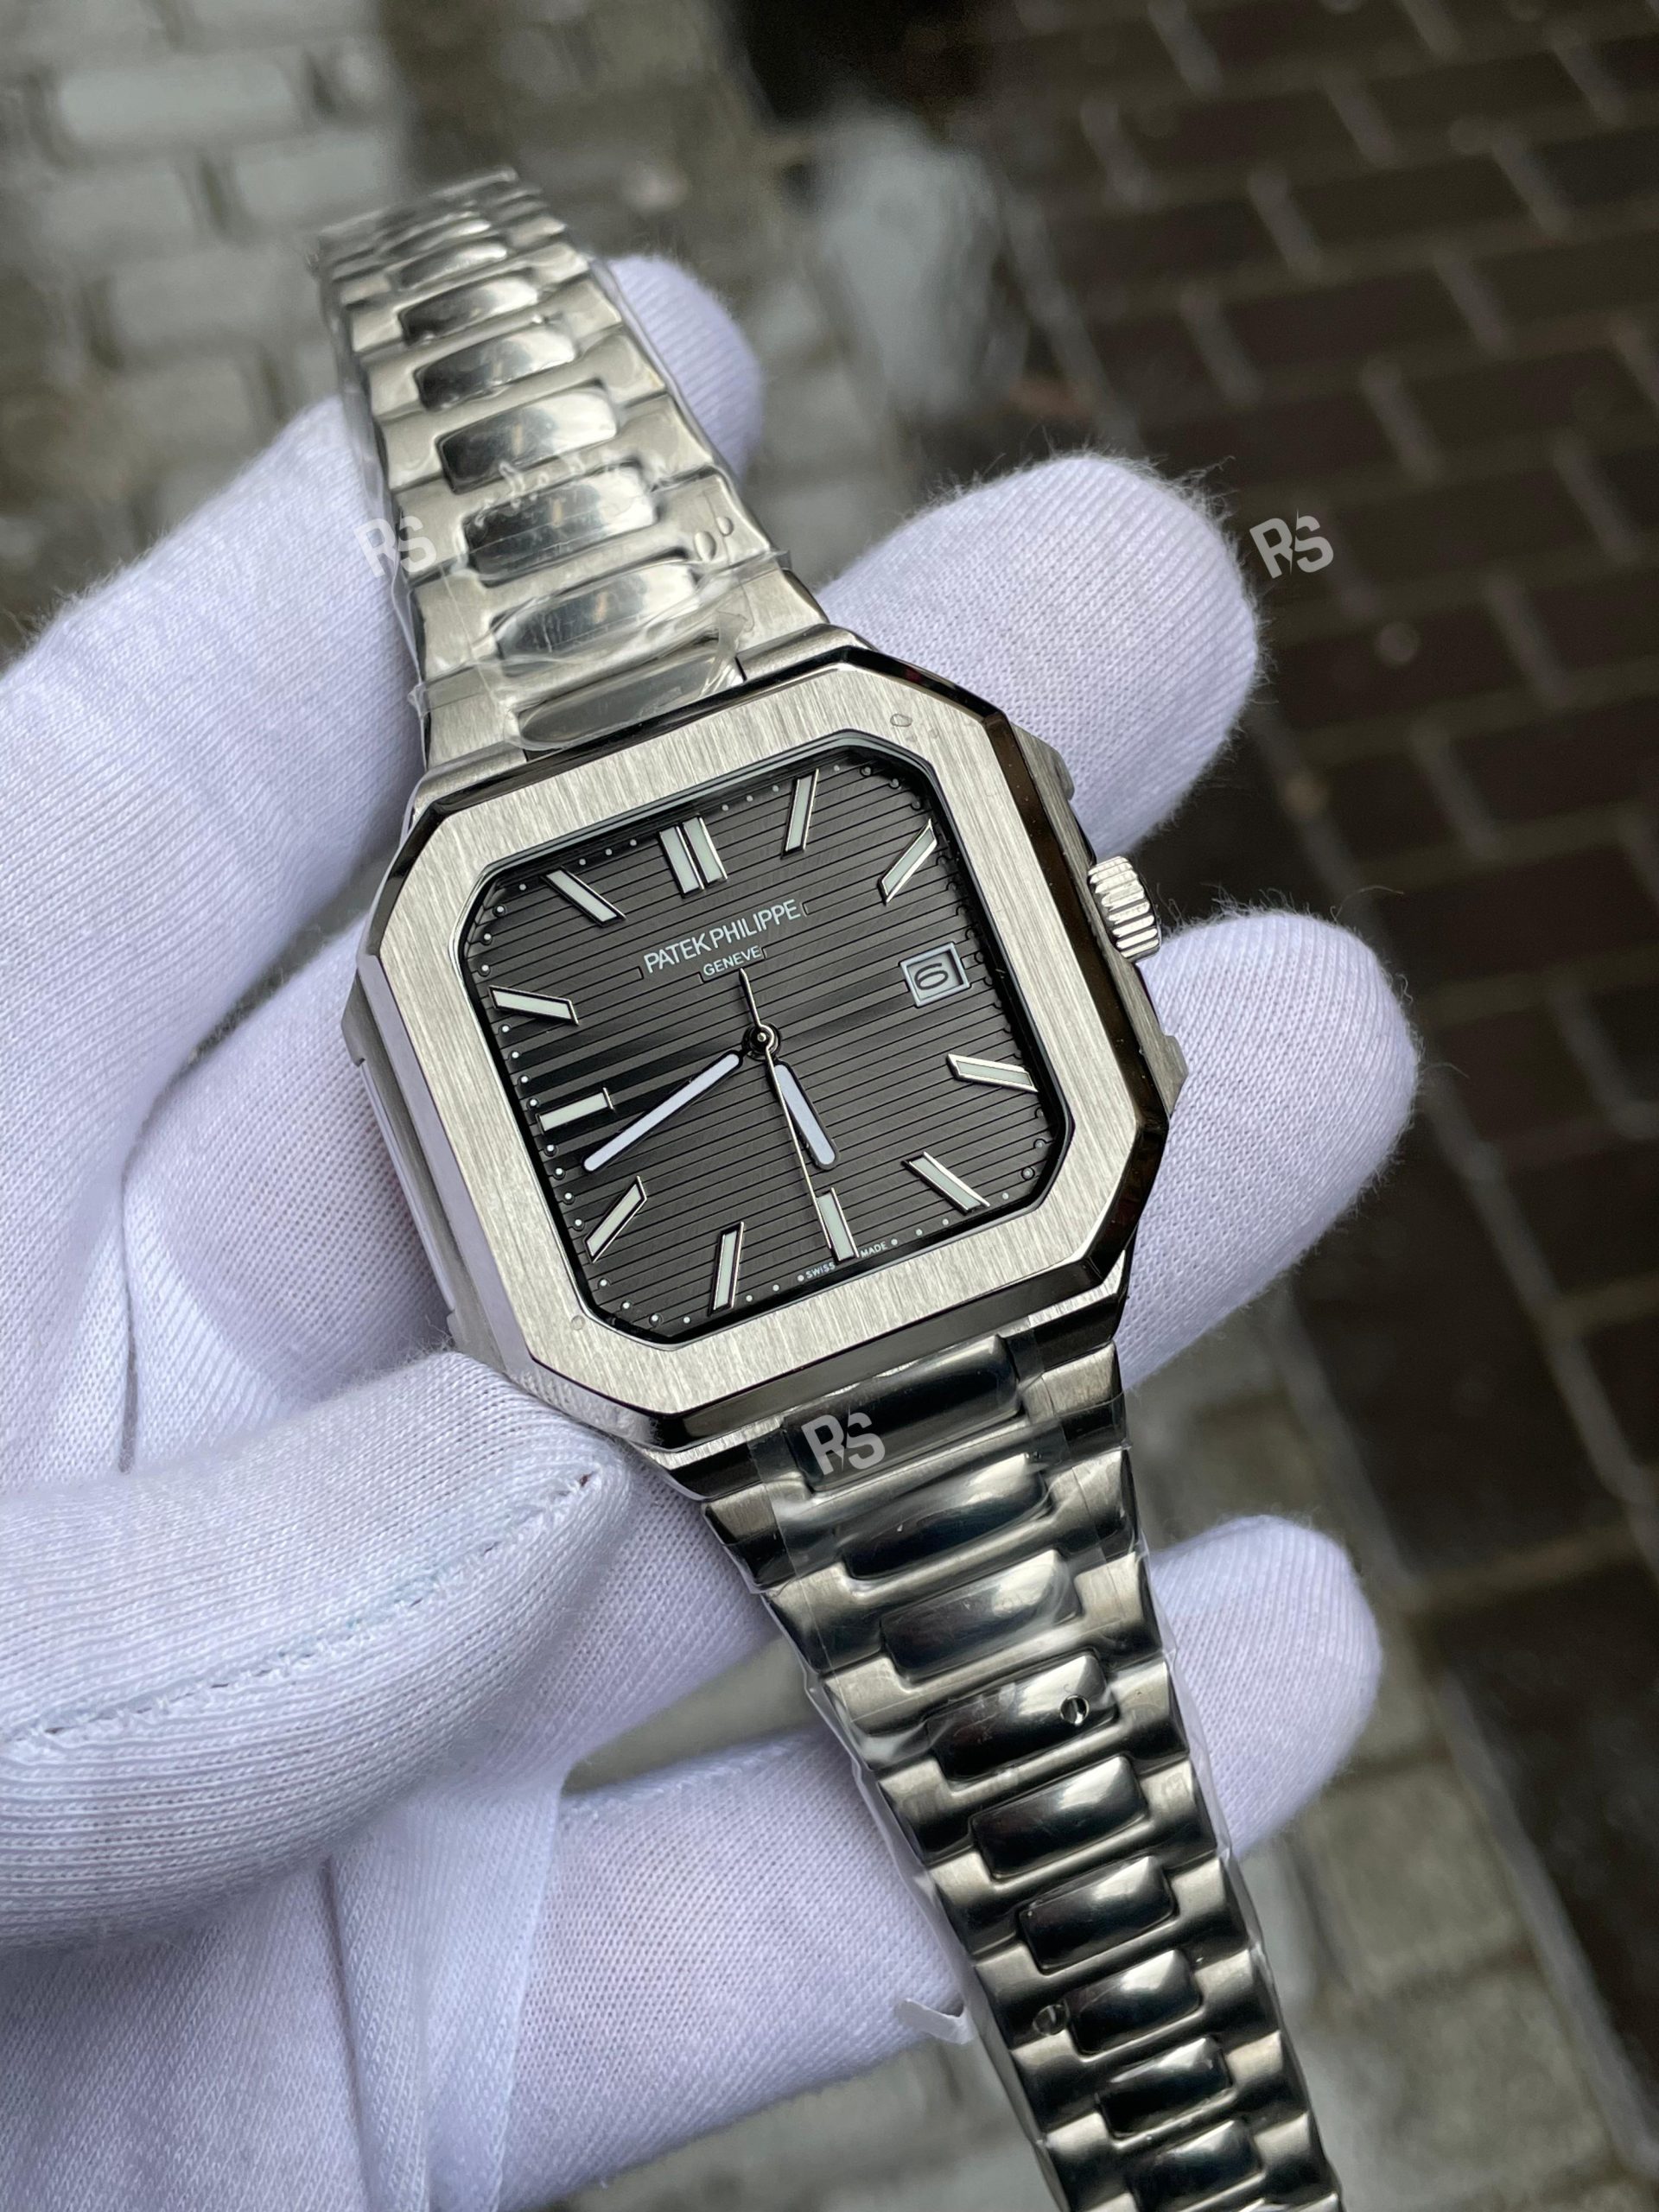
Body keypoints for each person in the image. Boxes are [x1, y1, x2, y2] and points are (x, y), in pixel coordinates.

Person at [0, 258, 1414, 2209]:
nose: (753, 1042)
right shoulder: (508, 977)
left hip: (948, 1307)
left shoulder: (877, 800)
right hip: (794, 1370)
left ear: (1092, 943)